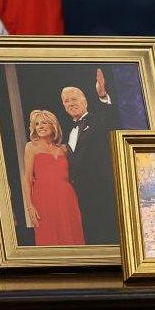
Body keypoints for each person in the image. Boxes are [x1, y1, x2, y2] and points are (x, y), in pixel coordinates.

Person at [62, 68, 121, 245]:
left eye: (74, 99)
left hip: (102, 191)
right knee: (89, 234)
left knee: (107, 234)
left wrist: (102, 94)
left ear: (85, 101)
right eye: (66, 101)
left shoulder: (99, 120)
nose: (70, 103)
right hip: (78, 194)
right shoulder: (67, 131)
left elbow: (112, 115)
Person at [22, 109, 84, 246]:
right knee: (48, 238)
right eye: (37, 124)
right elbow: (27, 179)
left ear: (53, 125)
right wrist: (30, 206)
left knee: (72, 235)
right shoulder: (31, 147)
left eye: (44, 122)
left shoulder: (64, 149)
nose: (40, 126)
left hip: (67, 198)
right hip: (43, 199)